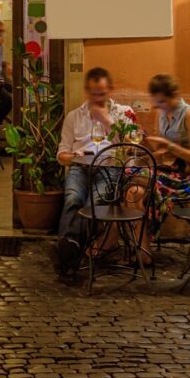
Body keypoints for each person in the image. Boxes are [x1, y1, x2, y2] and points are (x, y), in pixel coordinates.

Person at [52, 67, 140, 277]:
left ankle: (68, 249)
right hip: (80, 167)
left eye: (101, 93)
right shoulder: (74, 116)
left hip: (110, 167)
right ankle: (71, 250)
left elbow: (130, 146)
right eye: (93, 93)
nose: (97, 98)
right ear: (87, 91)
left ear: (109, 90)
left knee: (94, 203)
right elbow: (61, 155)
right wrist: (75, 155)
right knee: (73, 198)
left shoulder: (123, 114)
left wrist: (106, 121)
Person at [142, 74, 190, 261]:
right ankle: (140, 245)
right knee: (130, 181)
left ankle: (143, 246)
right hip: (168, 170)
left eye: (162, 101)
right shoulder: (161, 113)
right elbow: (161, 151)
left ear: (173, 95)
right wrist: (145, 143)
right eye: (157, 103)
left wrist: (171, 147)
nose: (159, 107)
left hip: (189, 176)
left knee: (148, 185)